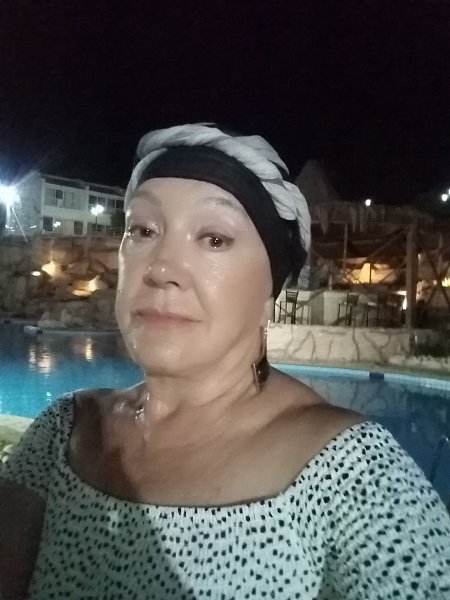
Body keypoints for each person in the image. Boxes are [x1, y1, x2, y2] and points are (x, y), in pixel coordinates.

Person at [1, 123, 449, 599]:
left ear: (271, 287)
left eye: (214, 238)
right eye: (144, 230)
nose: (162, 269)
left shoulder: (354, 473)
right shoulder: (63, 430)